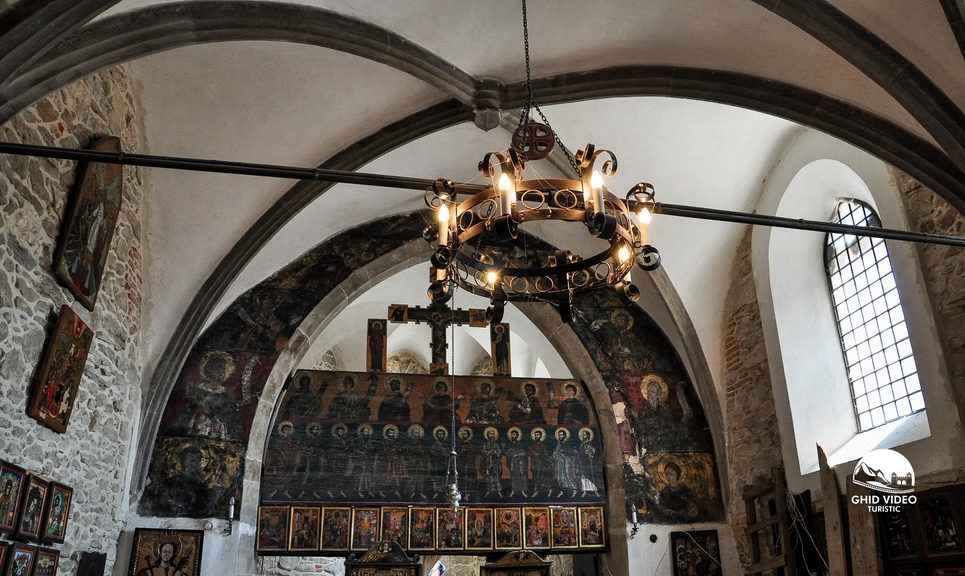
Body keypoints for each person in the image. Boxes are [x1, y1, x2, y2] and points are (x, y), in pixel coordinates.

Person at [552, 427, 578, 498]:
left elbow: (570, 452)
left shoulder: (567, 444)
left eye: (561, 435)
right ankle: (562, 491)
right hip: (559, 463)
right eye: (559, 435)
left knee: (568, 476)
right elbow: (555, 453)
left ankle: (574, 490)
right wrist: (556, 454)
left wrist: (563, 452)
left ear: (564, 436)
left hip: (566, 463)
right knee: (560, 478)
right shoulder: (558, 444)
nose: (560, 436)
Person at [528, 428, 554, 497]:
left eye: (538, 435)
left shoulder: (543, 445)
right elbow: (529, 453)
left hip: (542, 464)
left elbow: (545, 454)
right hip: (535, 463)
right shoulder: (533, 445)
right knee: (535, 478)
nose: (536, 436)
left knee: (543, 478)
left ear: (540, 436)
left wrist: (539, 455)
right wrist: (533, 454)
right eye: (535, 435)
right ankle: (536, 491)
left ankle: (548, 491)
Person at [504, 427, 529, 498]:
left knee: (522, 477)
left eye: (514, 434)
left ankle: (523, 492)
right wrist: (511, 454)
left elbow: (524, 453)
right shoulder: (509, 444)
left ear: (517, 435)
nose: (513, 436)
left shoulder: (520, 444)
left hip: (520, 464)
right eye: (512, 434)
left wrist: (517, 454)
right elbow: (506, 452)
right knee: (514, 477)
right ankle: (513, 491)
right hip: (513, 463)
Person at [480, 427, 503, 498]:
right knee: (489, 478)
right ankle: (488, 491)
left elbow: (500, 452)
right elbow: (483, 452)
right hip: (488, 463)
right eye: (490, 434)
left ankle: (499, 491)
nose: (492, 435)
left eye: (493, 434)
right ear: (487, 435)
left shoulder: (497, 444)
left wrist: (496, 452)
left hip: (496, 463)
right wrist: (490, 452)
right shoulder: (485, 444)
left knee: (497, 478)